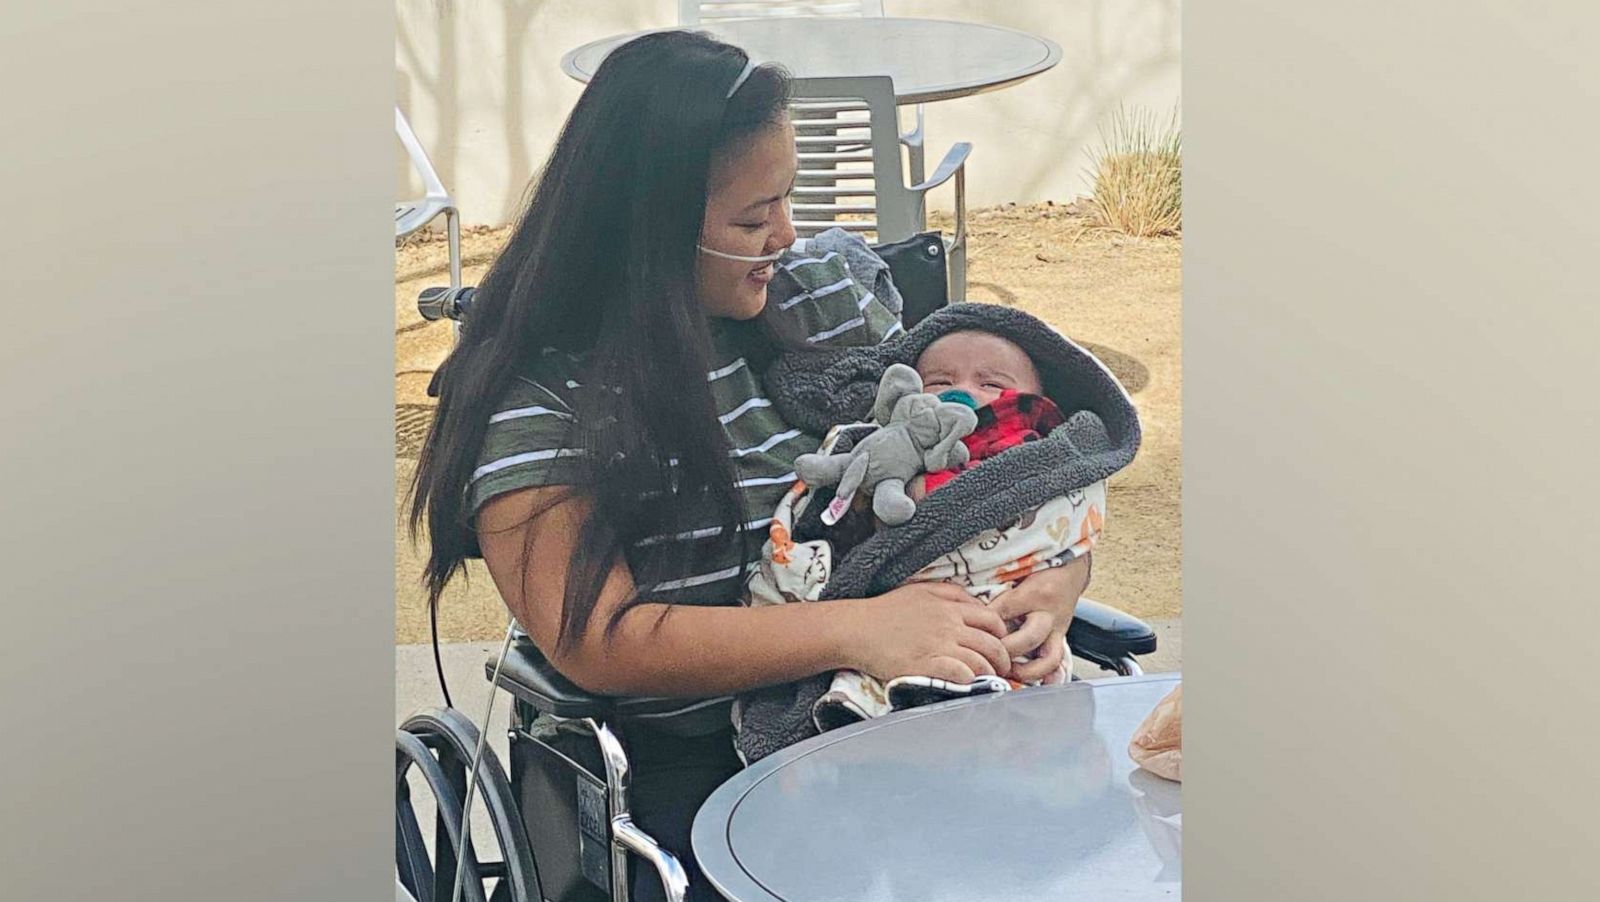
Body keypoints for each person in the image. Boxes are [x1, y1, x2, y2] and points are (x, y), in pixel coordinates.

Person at [409, 30, 1090, 901]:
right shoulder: (540, 400)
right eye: (750, 217)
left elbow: (1009, 466)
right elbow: (598, 640)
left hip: (915, 714)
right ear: (645, 226)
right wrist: (860, 630)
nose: (786, 233)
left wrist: (1056, 580)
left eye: (787, 198)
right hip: (698, 758)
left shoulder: (819, 305)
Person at [745, 328, 1108, 729]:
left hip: (1001, 625)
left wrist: (1066, 570)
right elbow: (842, 516)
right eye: (939, 381)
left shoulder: (1034, 446)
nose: (961, 392)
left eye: (991, 383)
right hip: (879, 630)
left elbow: (1065, 503)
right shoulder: (886, 445)